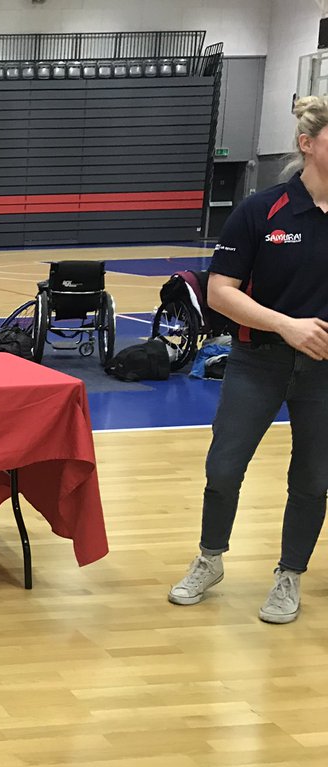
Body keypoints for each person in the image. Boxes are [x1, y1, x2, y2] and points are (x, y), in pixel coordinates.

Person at [168, 94, 328, 624]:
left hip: (324, 374)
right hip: (257, 361)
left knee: (312, 478)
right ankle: (210, 559)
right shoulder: (262, 210)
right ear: (307, 145)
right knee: (224, 467)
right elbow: (220, 293)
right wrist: (286, 325)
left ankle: (289, 575)